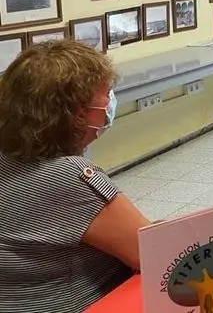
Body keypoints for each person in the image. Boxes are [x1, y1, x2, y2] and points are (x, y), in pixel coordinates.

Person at [0, 41, 151, 312]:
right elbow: (152, 251)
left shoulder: (6, 158)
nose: (110, 101)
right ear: (77, 113)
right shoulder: (68, 177)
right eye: (106, 94)